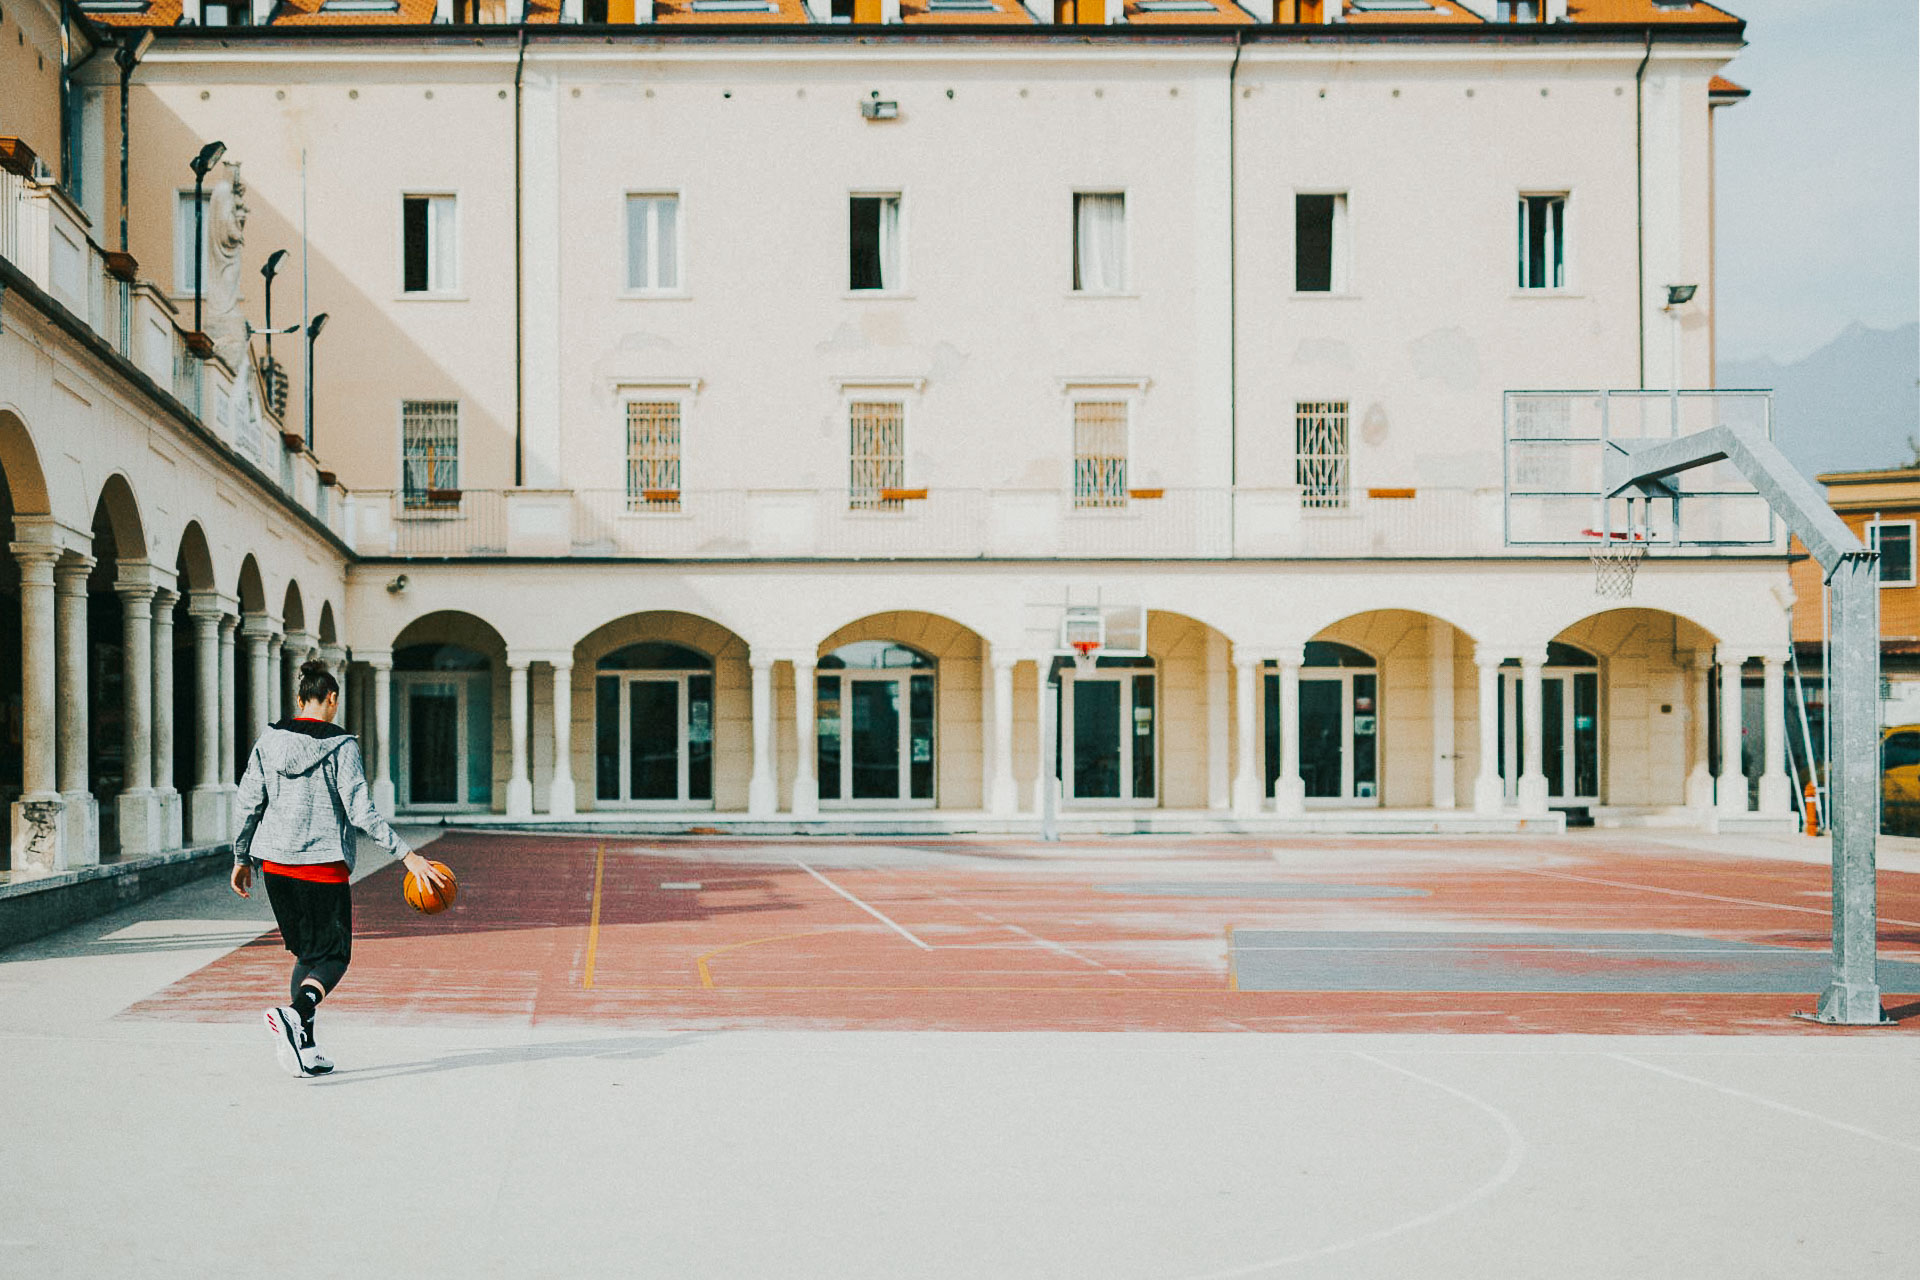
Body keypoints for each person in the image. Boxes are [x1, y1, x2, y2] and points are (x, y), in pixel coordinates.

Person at [229, 658, 449, 1077]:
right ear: (331, 699)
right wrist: (408, 856)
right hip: (321, 867)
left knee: (307, 954)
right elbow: (362, 811)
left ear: (298, 700)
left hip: (275, 865)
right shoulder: (341, 745)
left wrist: (241, 857)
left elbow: (248, 803)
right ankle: (296, 1014)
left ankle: (305, 1048)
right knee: (334, 957)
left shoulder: (268, 740)